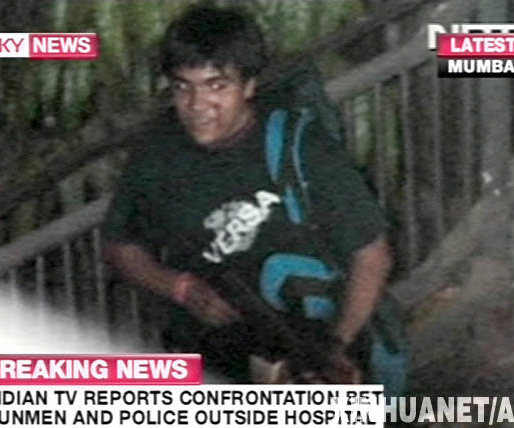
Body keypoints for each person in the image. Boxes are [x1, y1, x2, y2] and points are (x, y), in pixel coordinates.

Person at [103, 5, 392, 383]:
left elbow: (371, 254)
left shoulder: (300, 146)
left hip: (314, 333)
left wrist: (337, 345)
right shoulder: (156, 156)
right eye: (183, 87)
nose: (197, 105)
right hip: (216, 351)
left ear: (249, 86)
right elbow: (120, 244)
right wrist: (181, 289)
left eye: (217, 86)